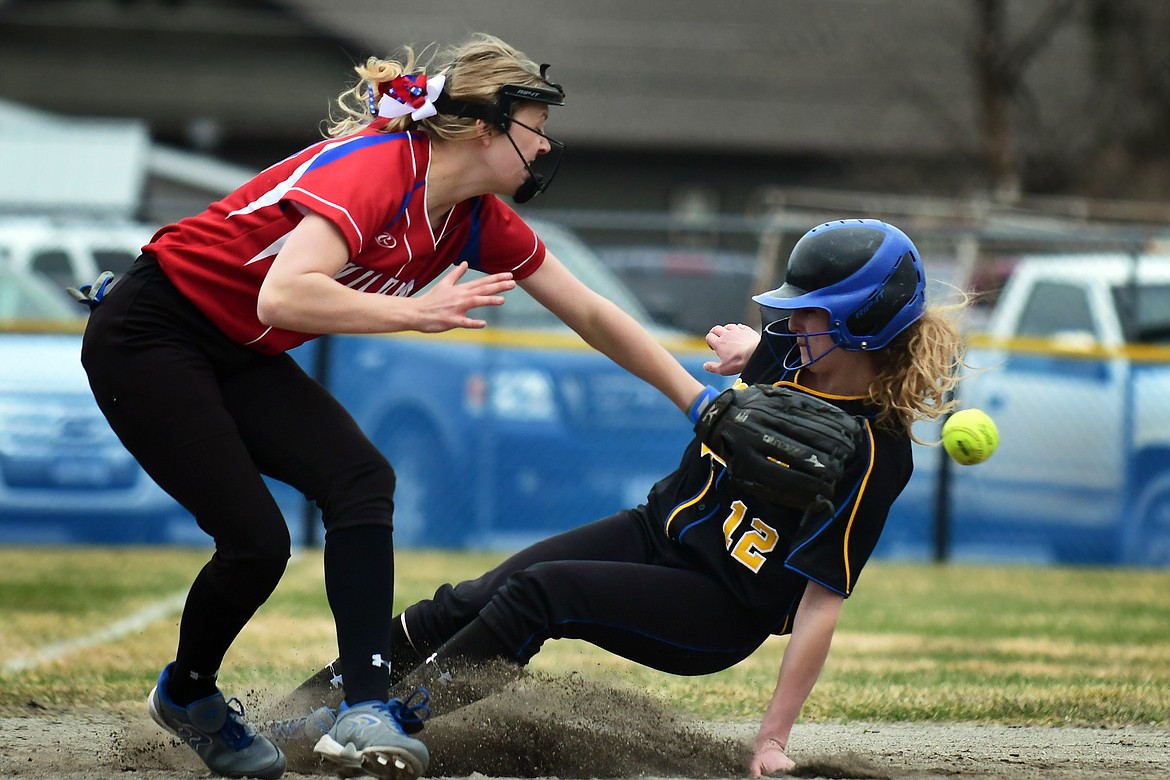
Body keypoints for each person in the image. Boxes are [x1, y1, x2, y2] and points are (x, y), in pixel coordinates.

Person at [78, 33, 708, 780]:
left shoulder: (474, 216)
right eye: (534, 127)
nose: (544, 148)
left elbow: (594, 314)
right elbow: (284, 292)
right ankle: (189, 695)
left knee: (360, 479)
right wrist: (418, 314)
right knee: (256, 543)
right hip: (153, 331)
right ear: (484, 126)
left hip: (235, 348)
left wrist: (700, 400)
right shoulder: (382, 169)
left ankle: (362, 711)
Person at [273, 218, 969, 777]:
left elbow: (822, 603)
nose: (793, 325)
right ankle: (302, 714)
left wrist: (771, 741)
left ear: (863, 324)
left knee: (540, 595)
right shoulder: (795, 359)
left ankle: (394, 726)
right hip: (652, 533)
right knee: (469, 598)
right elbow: (776, 360)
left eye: (811, 314)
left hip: (718, 605)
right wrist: (747, 349)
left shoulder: (875, 451)